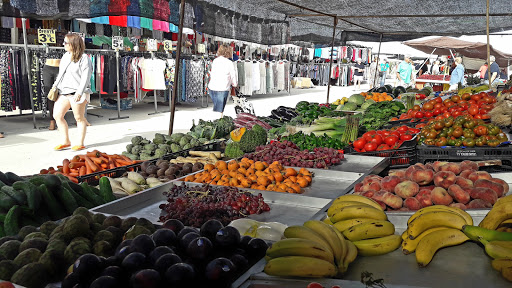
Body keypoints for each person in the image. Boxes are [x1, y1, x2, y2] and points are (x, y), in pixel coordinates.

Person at [52, 33, 92, 151]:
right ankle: (66, 141)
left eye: (66, 42)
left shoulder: (84, 58)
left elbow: (86, 77)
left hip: (77, 92)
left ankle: (80, 142)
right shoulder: (65, 56)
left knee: (79, 117)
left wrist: (80, 93)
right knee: (57, 115)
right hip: (64, 92)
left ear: (73, 44)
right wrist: (55, 86)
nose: (63, 44)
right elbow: (61, 73)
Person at [208, 44, 238, 118]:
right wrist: (235, 84)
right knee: (219, 111)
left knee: (217, 108)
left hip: (212, 87)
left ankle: (215, 123)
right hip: (222, 88)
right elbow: (233, 75)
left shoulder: (215, 61)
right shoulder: (229, 63)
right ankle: (216, 124)